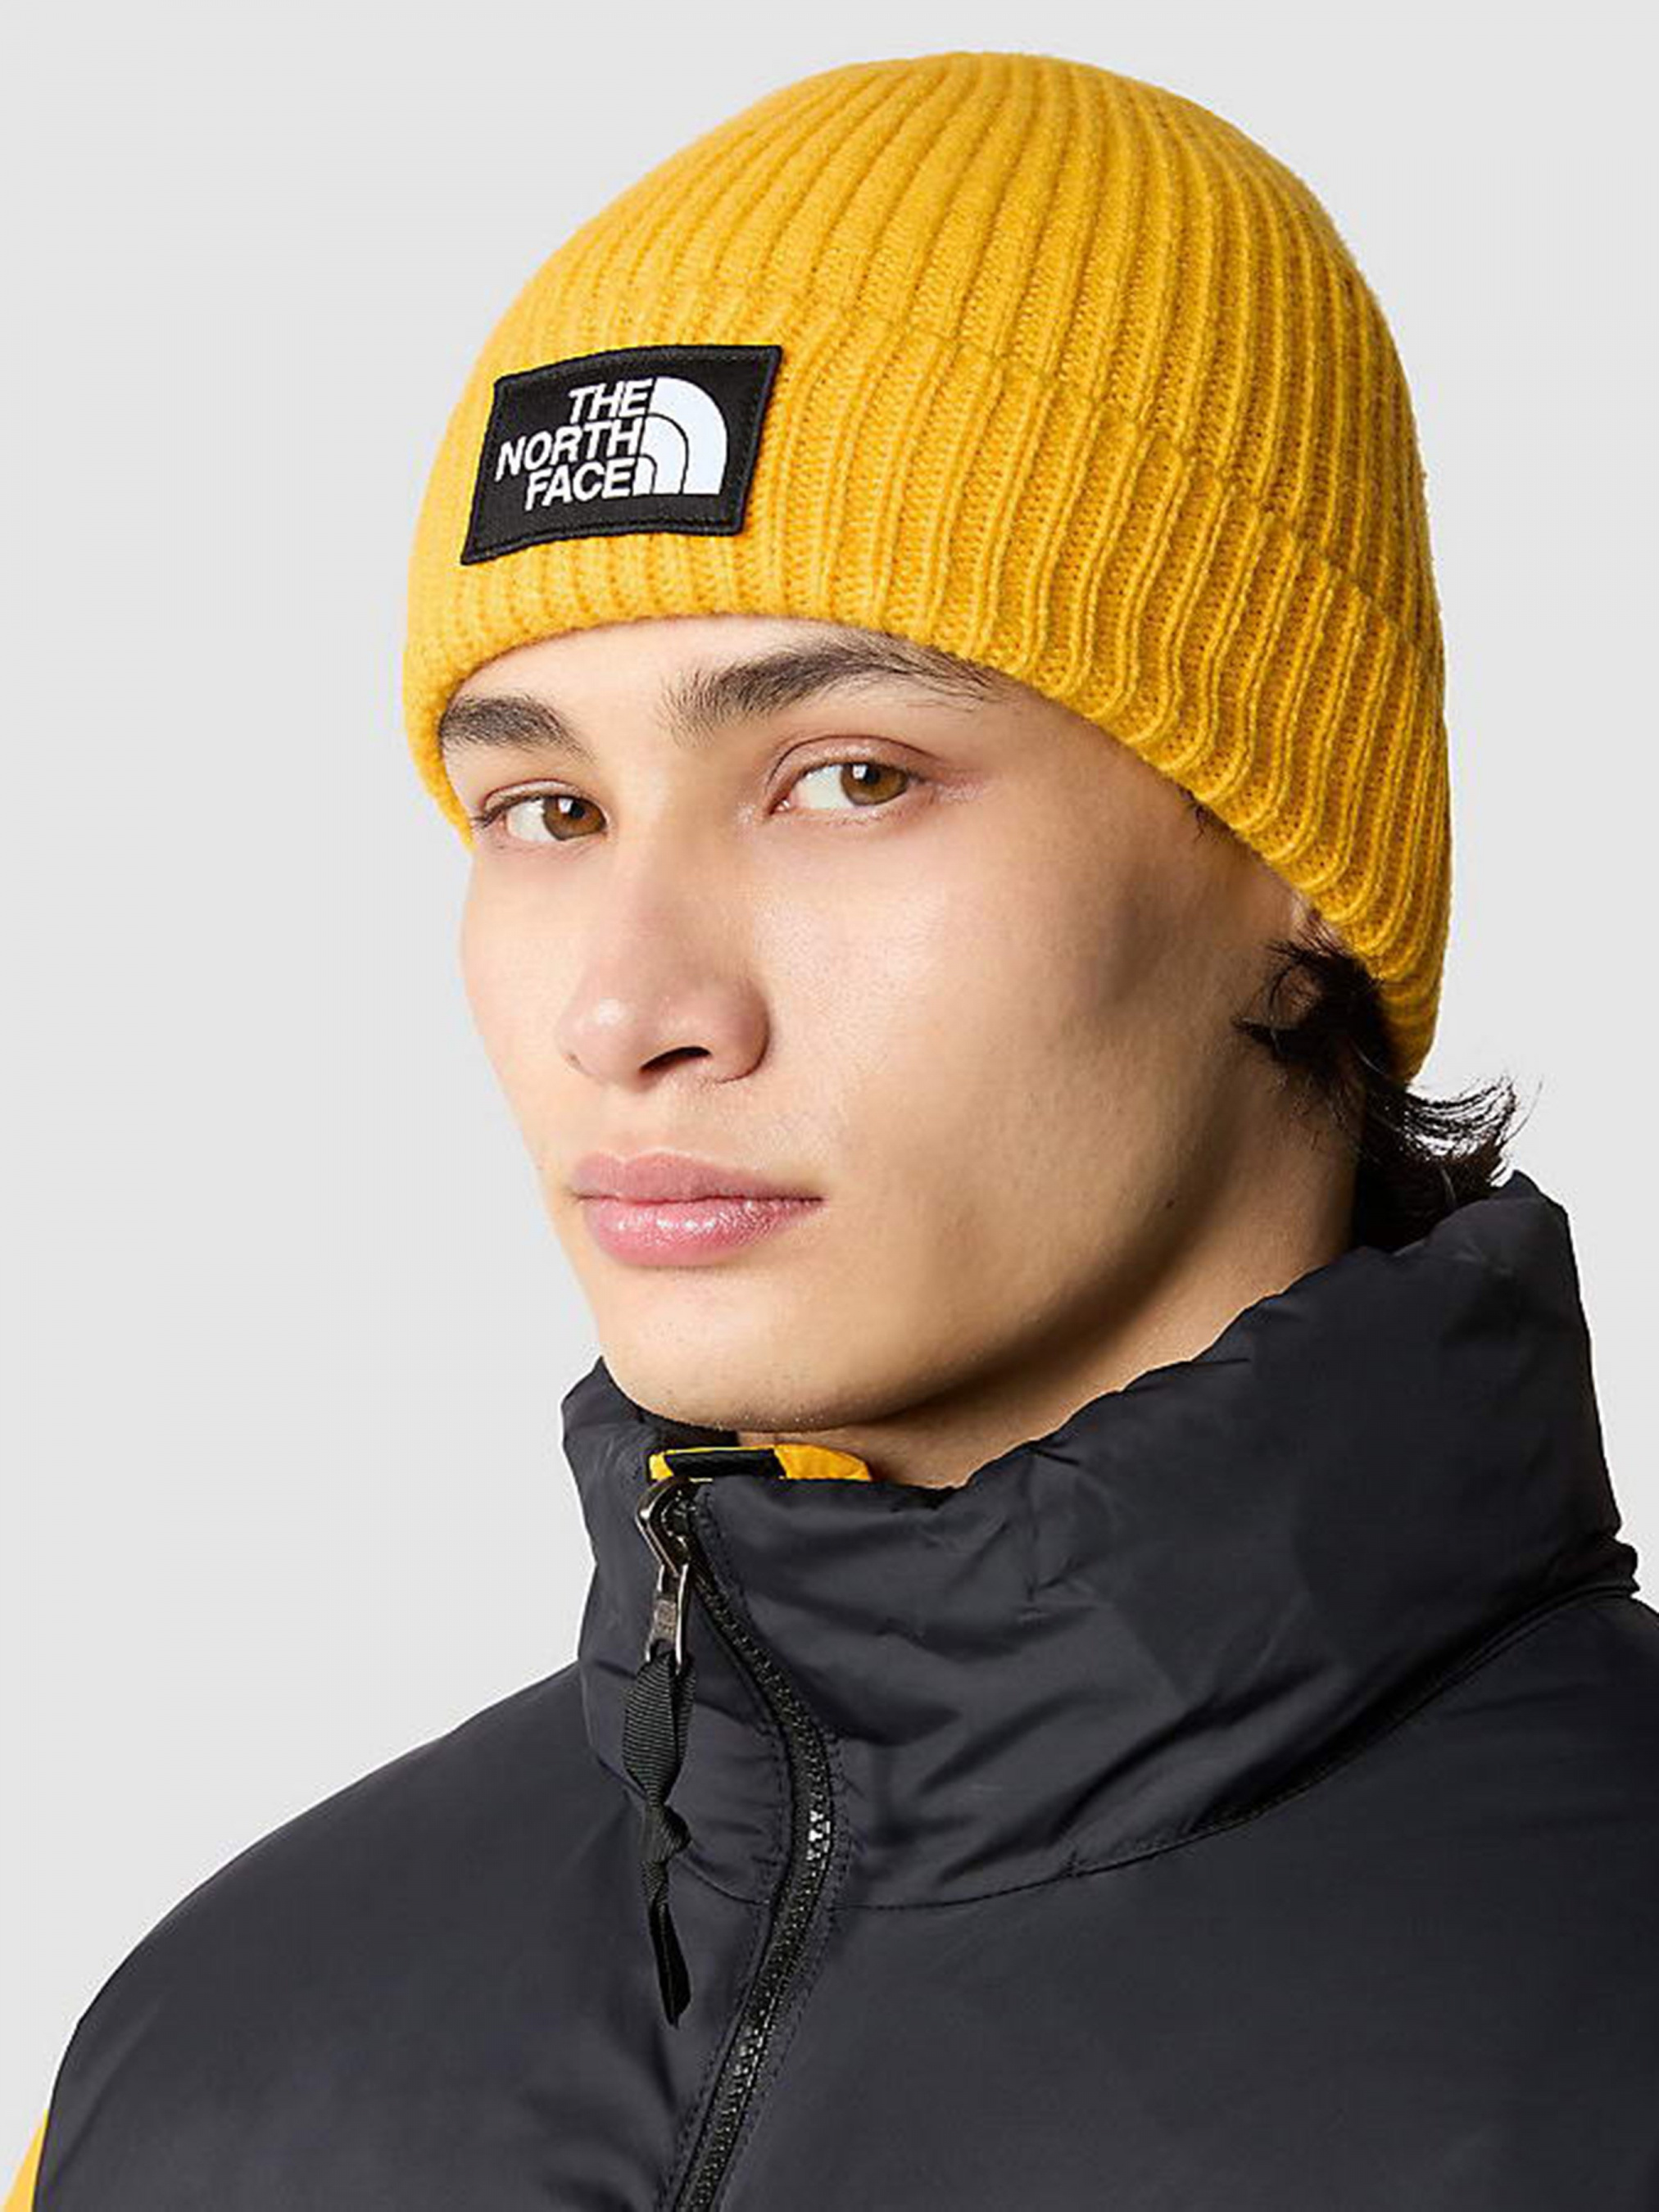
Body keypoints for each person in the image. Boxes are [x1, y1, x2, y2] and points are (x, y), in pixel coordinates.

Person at [8, 48, 1657, 2212]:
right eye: (546, 808)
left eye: (851, 779)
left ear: (1300, 861)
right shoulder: (209, 2062)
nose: (629, 1009)